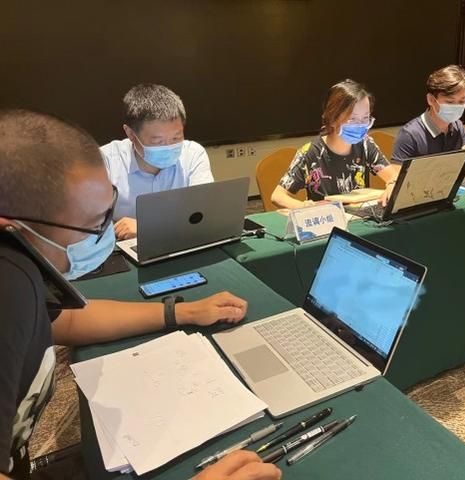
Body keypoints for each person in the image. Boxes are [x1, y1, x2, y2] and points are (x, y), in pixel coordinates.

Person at [0, 110, 279, 480]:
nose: (104, 234)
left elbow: (63, 320)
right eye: (92, 224)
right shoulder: (9, 285)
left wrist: (180, 312)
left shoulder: (21, 270)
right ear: (14, 228)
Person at [101, 84, 214, 240]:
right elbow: (85, 226)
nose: (169, 147)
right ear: (131, 134)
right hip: (123, 246)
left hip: (181, 241)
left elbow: (204, 213)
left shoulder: (193, 154)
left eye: (176, 137)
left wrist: (146, 228)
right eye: (158, 141)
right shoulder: (105, 161)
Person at [270, 79, 398, 209]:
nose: (360, 126)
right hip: (326, 218)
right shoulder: (310, 152)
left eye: (365, 118)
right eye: (352, 119)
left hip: (359, 217)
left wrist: (392, 184)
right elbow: (278, 196)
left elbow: (393, 177)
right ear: (332, 118)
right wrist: (305, 207)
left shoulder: (365, 144)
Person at [391, 65, 465, 171]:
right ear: (431, 100)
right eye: (450, 102)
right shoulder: (410, 134)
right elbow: (397, 177)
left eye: (461, 101)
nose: (457, 106)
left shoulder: (457, 127)